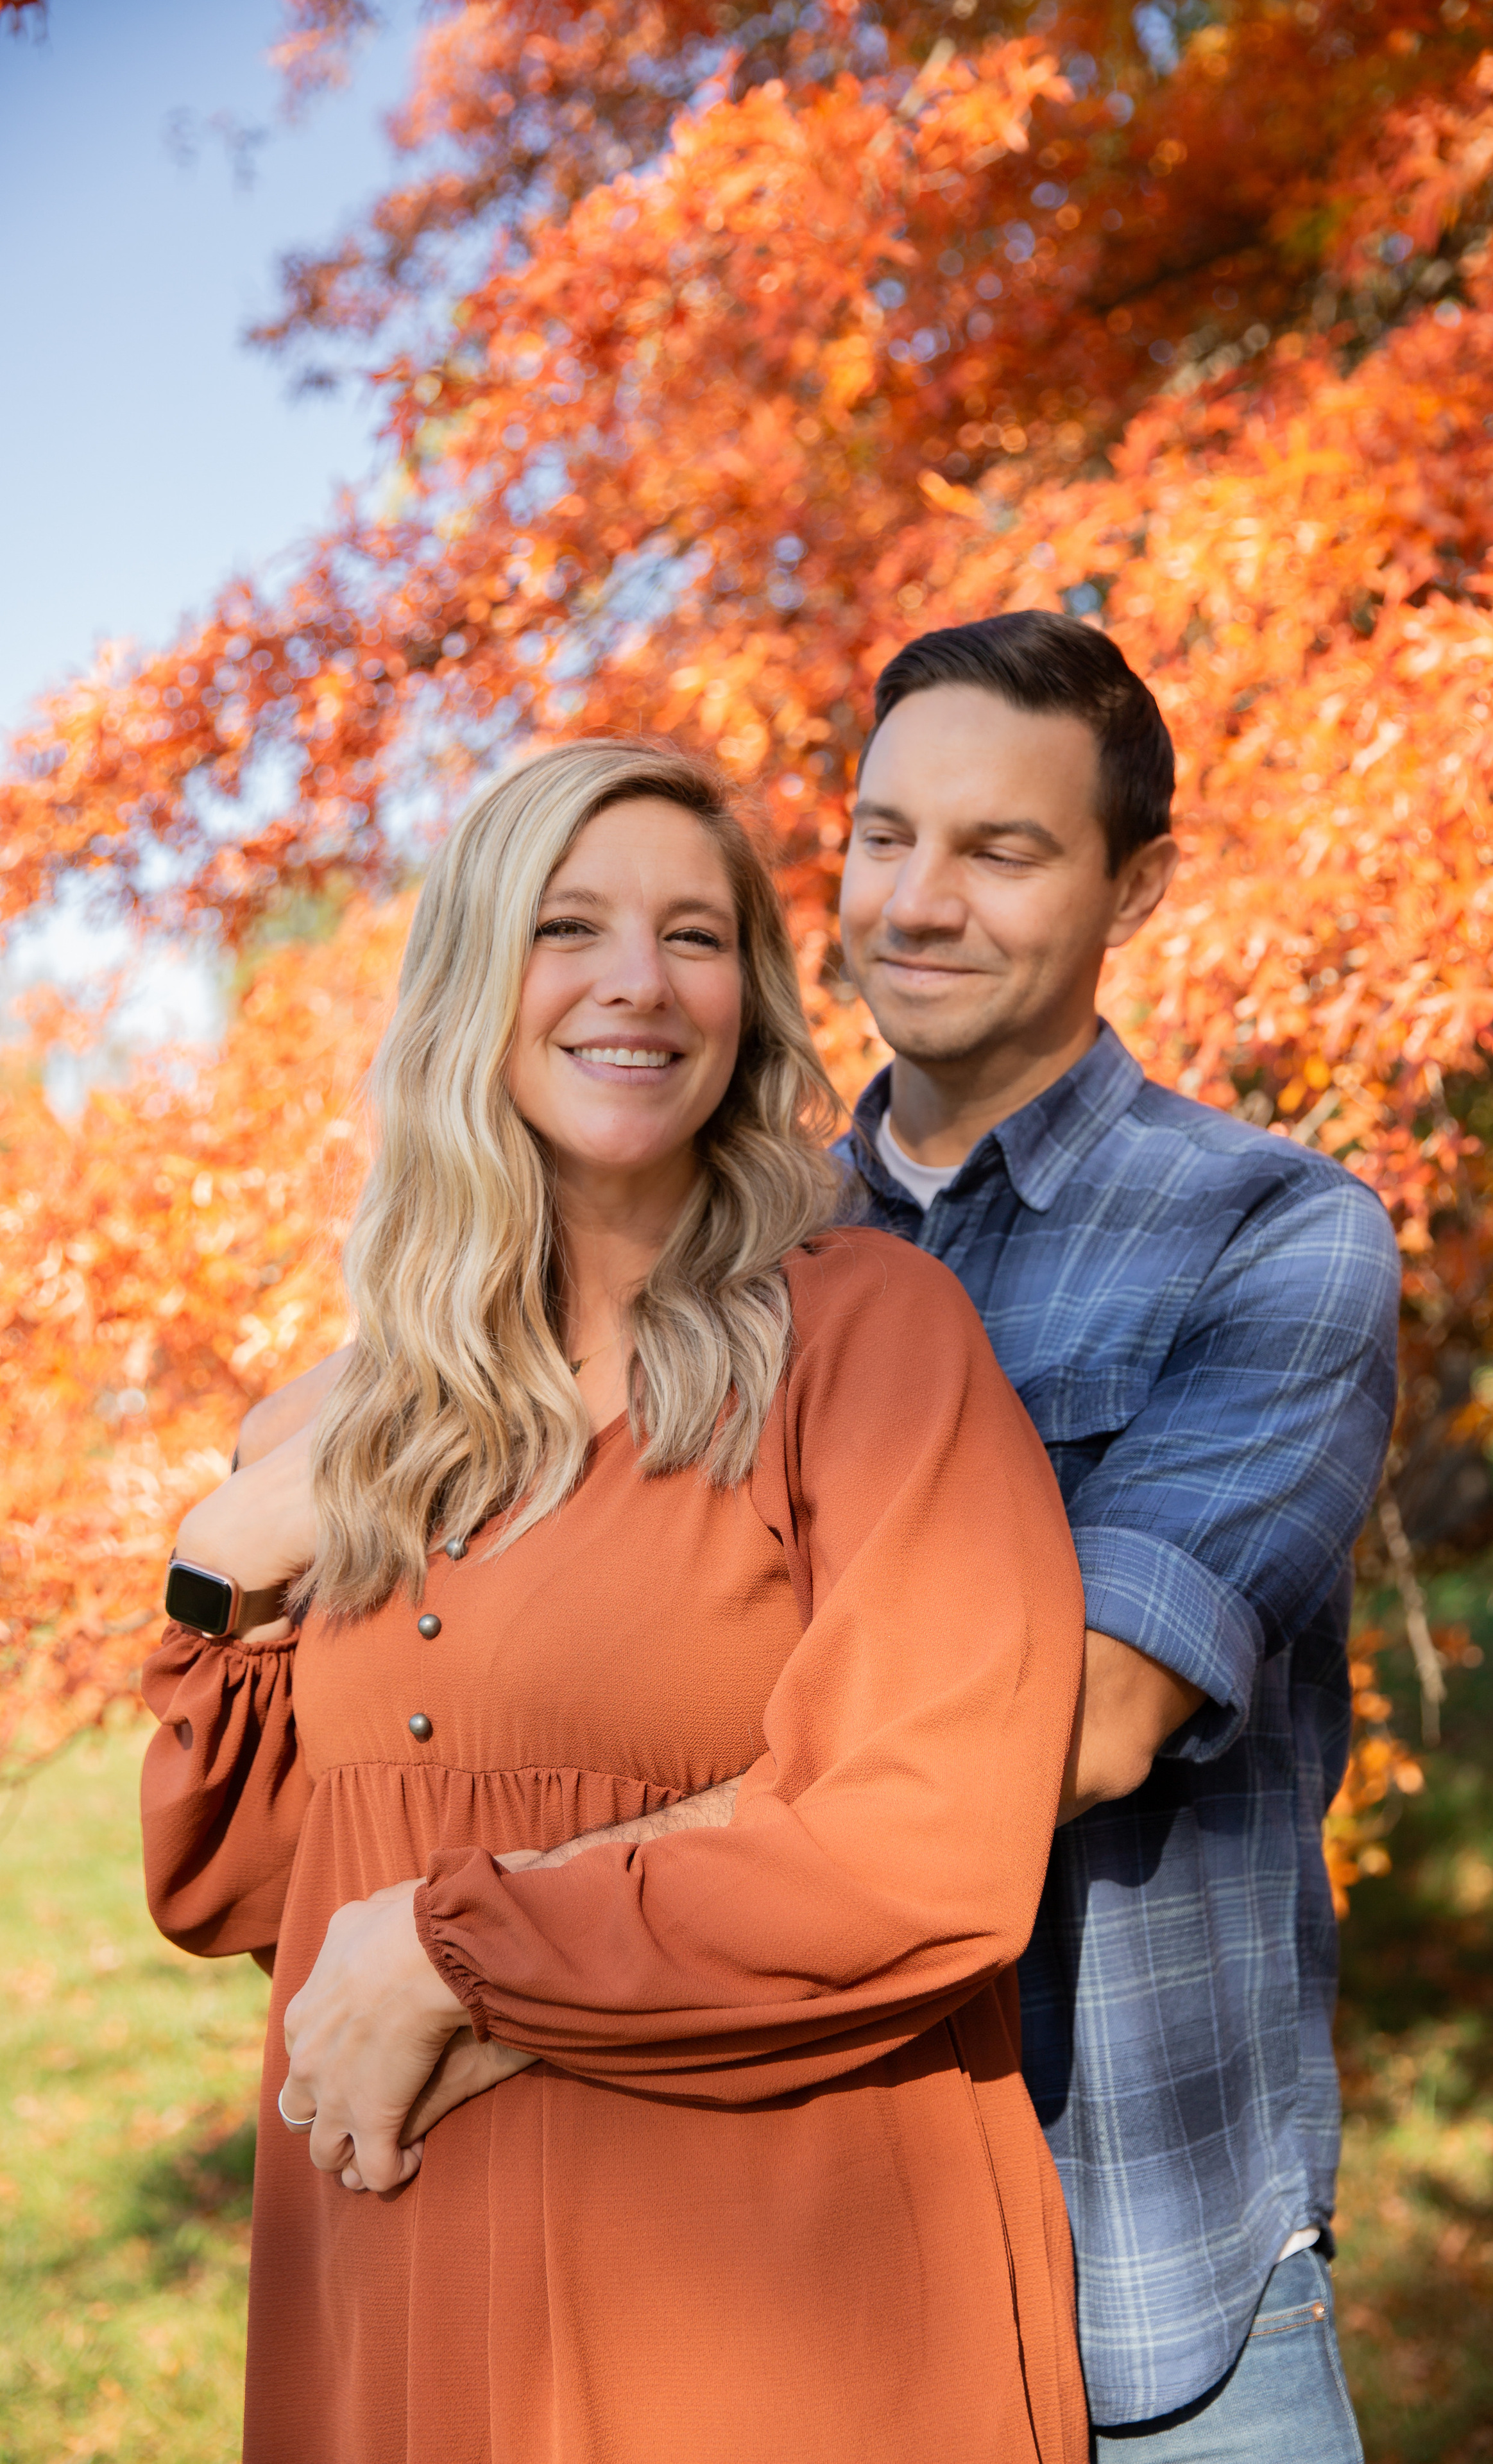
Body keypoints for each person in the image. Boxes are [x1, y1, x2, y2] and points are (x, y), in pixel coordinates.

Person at [141, 740, 1093, 2464]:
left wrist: (468, 1954)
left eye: (698, 937)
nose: (637, 986)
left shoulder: (867, 1340)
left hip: (763, 2303)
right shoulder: (349, 1414)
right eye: (568, 926)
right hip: (413, 2287)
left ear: (752, 999)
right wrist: (218, 1570)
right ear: (471, 981)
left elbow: (929, 1841)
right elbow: (242, 1888)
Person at [833, 611, 1401, 2458]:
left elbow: (1081, 1722)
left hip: (1151, 2296)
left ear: (1134, 889)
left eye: (1001, 850)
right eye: (882, 834)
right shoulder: (724, 1255)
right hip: (779, 2256)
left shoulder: (1277, 1237)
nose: (918, 901)